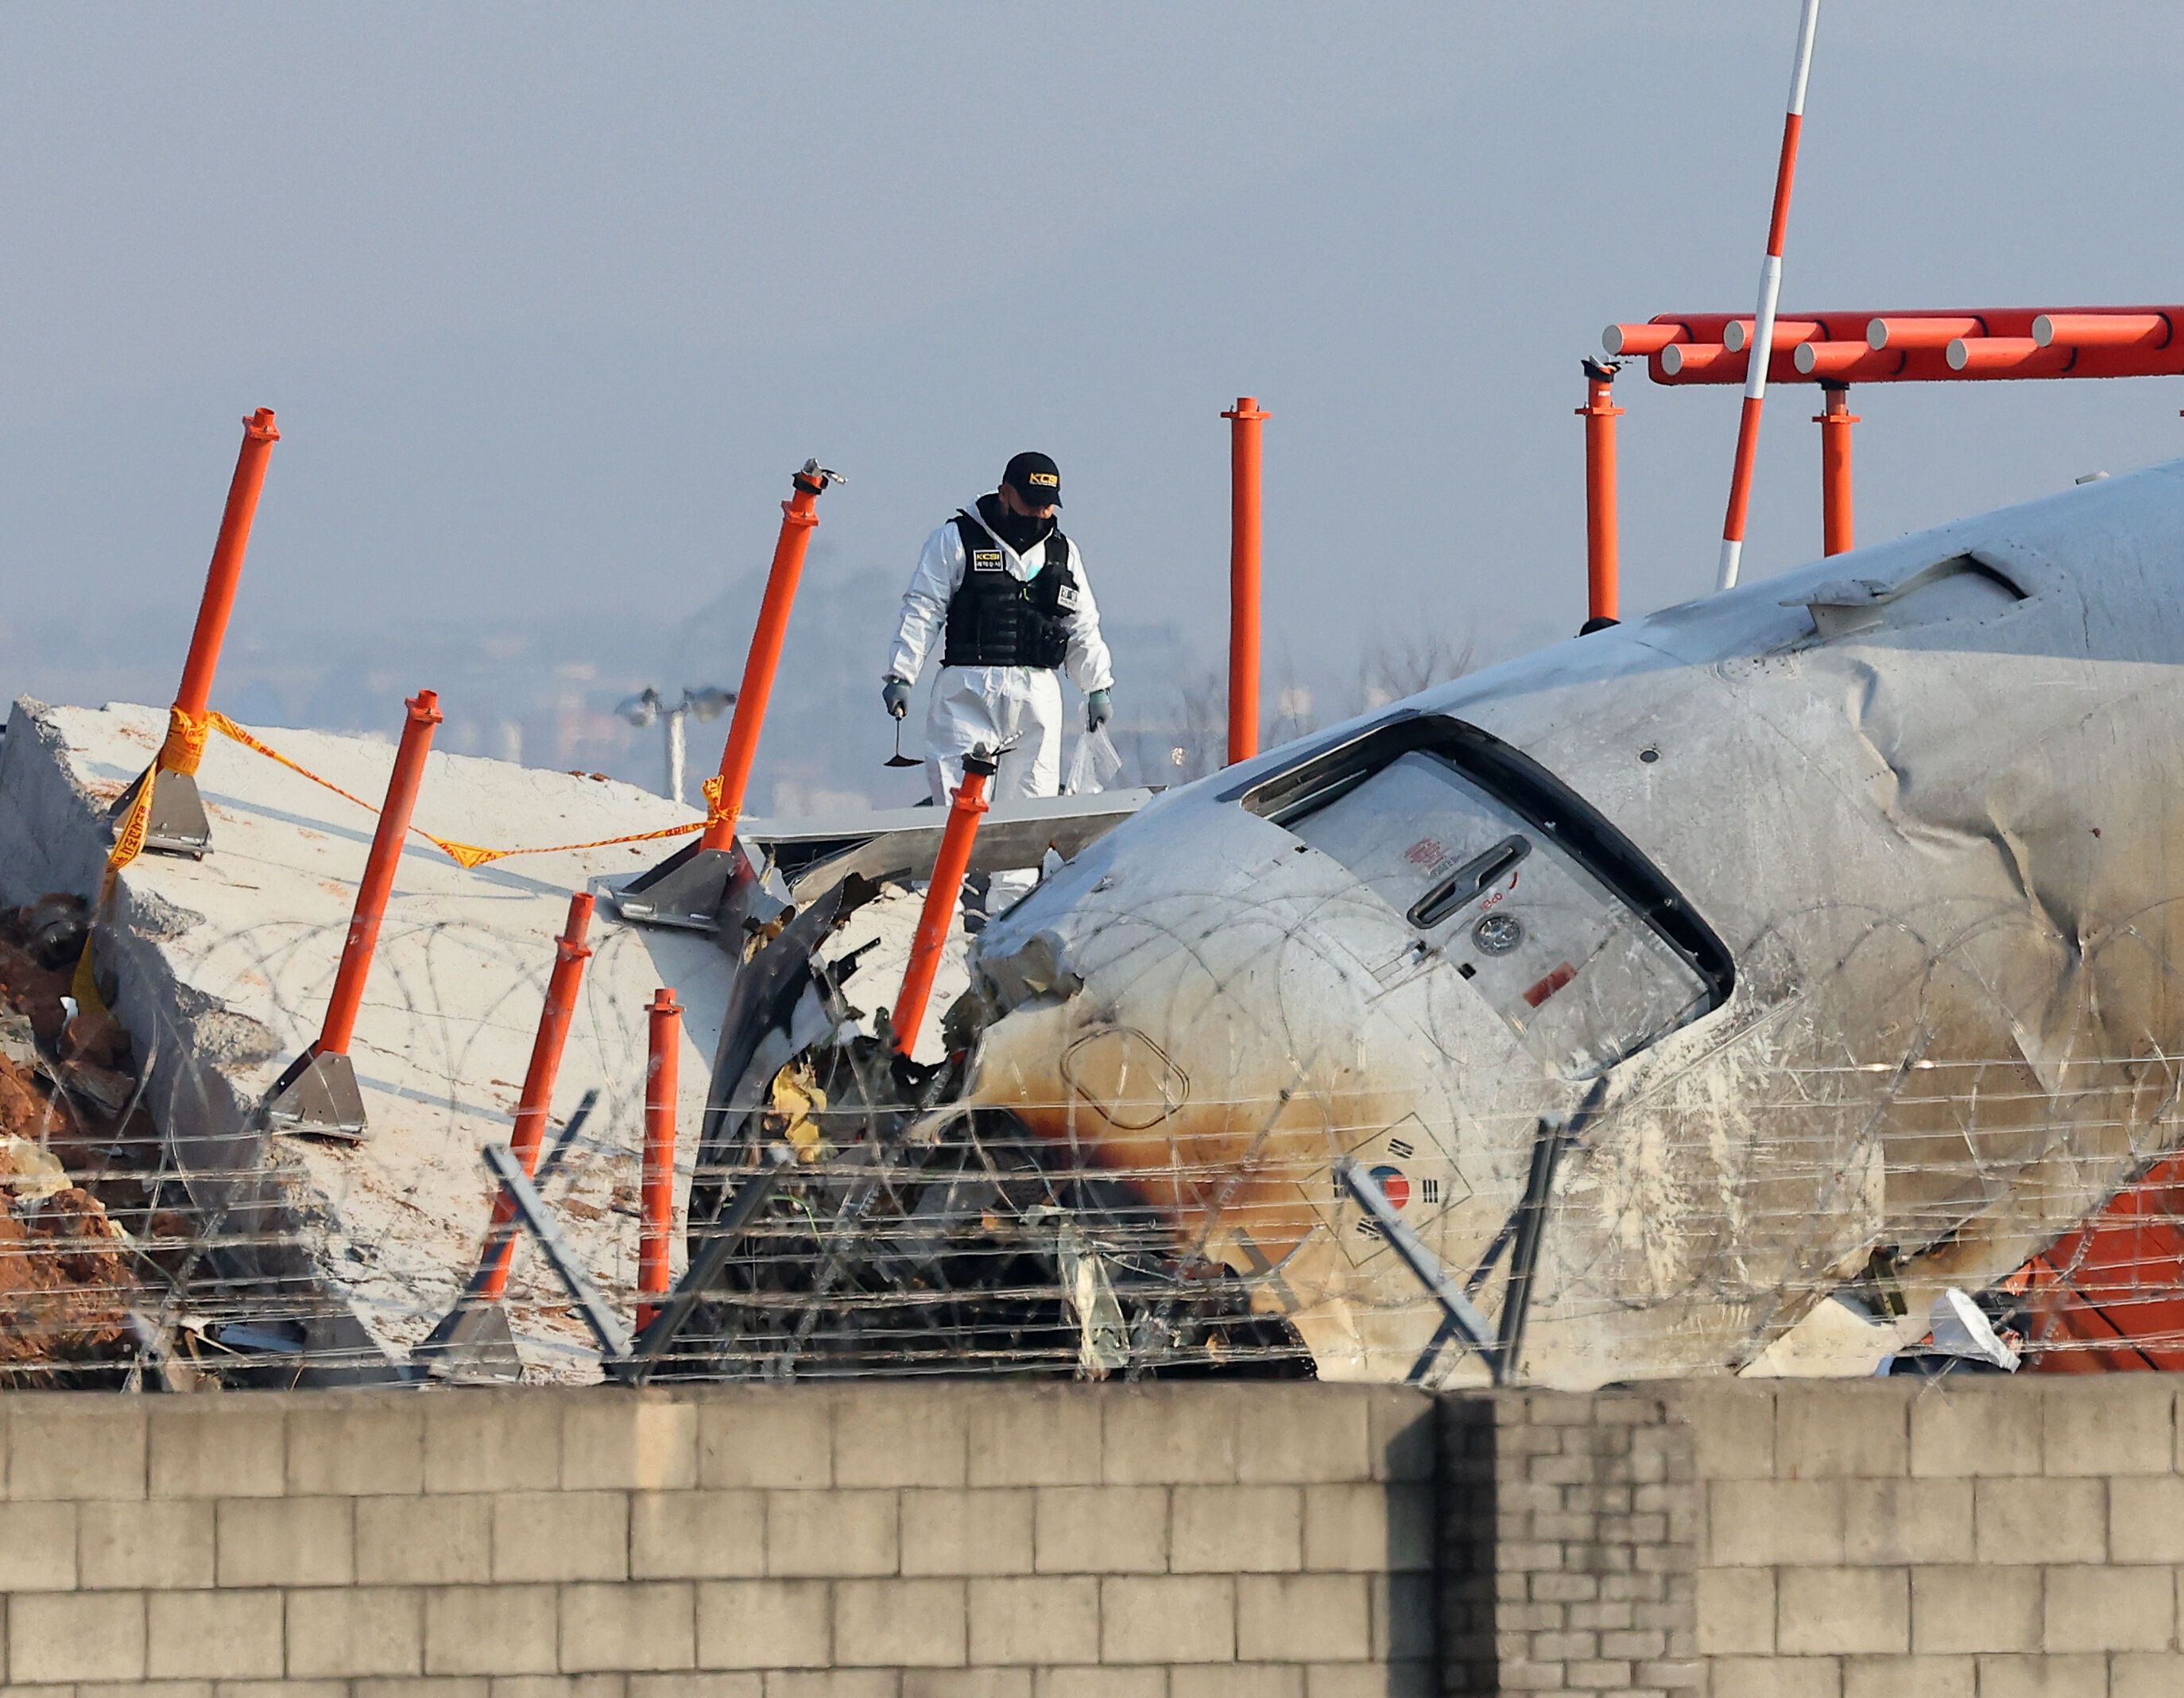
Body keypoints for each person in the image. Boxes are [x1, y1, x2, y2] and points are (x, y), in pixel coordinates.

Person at [883, 451, 1115, 913]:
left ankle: (1007, 927)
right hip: (966, 689)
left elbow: (1082, 623)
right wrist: (901, 673)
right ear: (1005, 493)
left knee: (1026, 822)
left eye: (1048, 505)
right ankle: (939, 923)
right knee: (956, 814)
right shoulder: (956, 539)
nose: (1040, 514)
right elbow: (923, 608)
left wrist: (1097, 685)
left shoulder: (1062, 551)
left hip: (1039, 694)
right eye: (1031, 503)